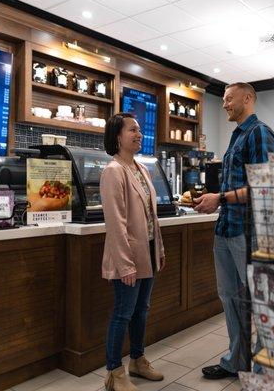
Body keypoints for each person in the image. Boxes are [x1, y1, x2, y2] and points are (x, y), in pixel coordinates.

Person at [194, 82, 274, 379]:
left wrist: (220, 198)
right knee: (230, 298)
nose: (224, 104)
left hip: (250, 232)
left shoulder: (260, 134)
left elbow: (265, 187)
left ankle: (262, 371)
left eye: (229, 99)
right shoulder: (237, 136)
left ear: (248, 98)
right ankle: (237, 361)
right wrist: (217, 199)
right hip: (227, 228)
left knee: (258, 302)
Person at [100, 113, 166, 391]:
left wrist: (158, 248)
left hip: (147, 251)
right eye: (132, 130)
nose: (139, 134)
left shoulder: (142, 169)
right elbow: (116, 223)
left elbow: (151, 216)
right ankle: (114, 374)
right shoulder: (113, 171)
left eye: (140, 130)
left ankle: (137, 360)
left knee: (142, 310)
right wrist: (125, 265)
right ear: (117, 136)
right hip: (127, 256)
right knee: (123, 313)